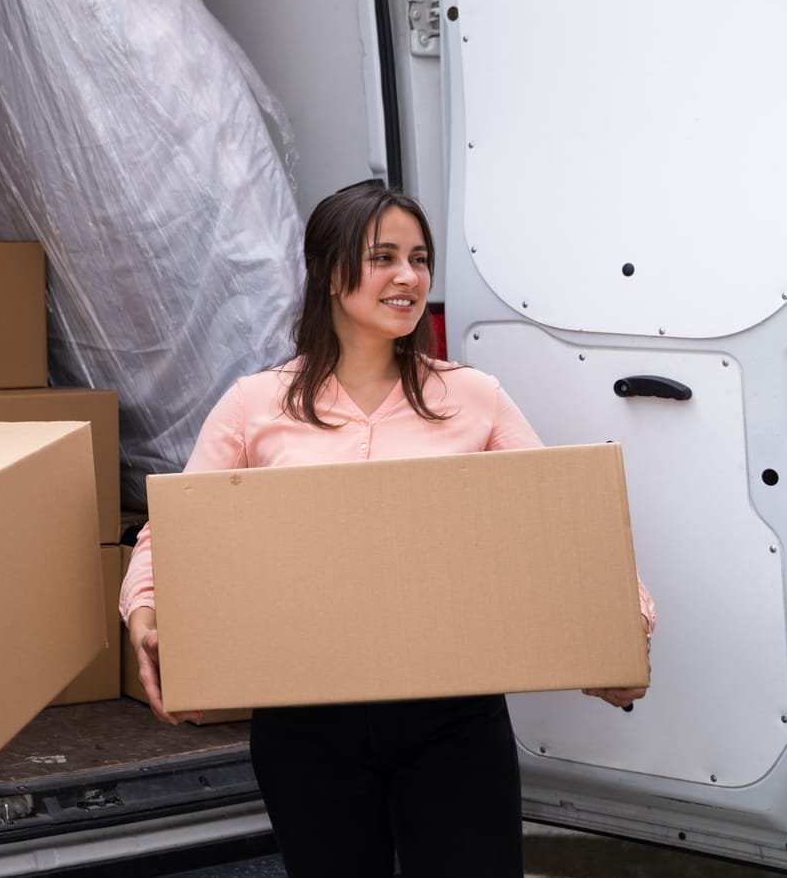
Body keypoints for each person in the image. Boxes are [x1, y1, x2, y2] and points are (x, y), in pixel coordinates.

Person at [117, 180, 654, 877]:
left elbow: (562, 525)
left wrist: (622, 630)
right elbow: (173, 534)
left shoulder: (472, 397)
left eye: (420, 258)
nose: (408, 277)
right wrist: (146, 613)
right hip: (305, 719)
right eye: (384, 257)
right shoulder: (256, 406)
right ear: (329, 271)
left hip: (454, 719)